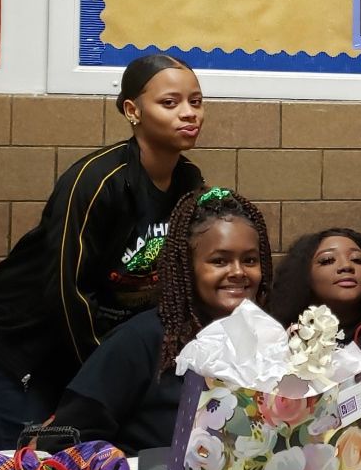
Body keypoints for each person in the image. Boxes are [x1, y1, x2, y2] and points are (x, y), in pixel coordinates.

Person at [0, 54, 204, 448]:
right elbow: (64, 292)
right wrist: (101, 375)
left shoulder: (189, 182)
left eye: (196, 101)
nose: (189, 113)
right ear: (133, 110)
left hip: (88, 352)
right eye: (170, 103)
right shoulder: (97, 180)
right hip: (20, 348)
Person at [53, 187, 273, 454]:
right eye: (219, 261)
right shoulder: (140, 341)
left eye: (249, 260)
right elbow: (66, 437)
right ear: (186, 267)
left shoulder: (267, 340)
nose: (238, 272)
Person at [271, 228, 361, 366]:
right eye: (327, 260)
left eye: (357, 260)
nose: (346, 266)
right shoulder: (284, 337)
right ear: (303, 276)